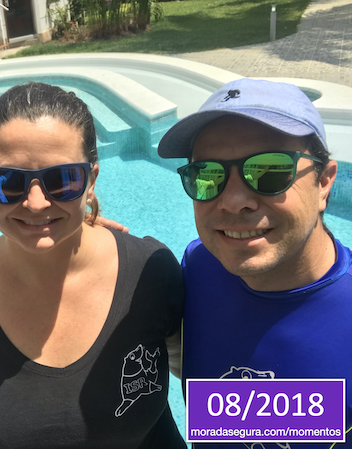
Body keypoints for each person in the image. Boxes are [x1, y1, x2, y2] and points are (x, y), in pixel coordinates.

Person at [0, 82, 185, 449]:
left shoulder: (150, 272)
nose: (36, 203)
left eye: (62, 180)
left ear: (91, 181)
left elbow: (210, 382)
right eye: (8, 181)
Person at [158, 78, 352, 448]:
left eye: (270, 171)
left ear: (324, 183)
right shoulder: (199, 267)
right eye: (208, 175)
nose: (233, 201)